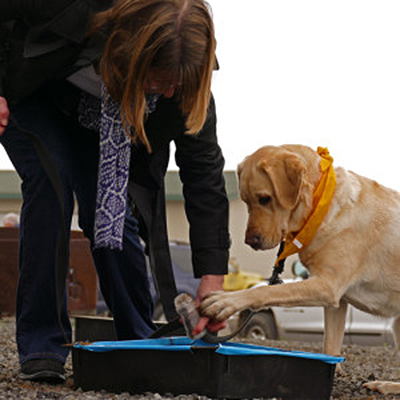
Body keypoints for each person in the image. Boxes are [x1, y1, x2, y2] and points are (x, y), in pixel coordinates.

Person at [0, 0, 230, 384]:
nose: (171, 91)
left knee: (111, 215)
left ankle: (139, 343)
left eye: (179, 82)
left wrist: (212, 277)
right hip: (37, 96)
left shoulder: (186, 88)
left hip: (107, 123)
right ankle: (43, 345)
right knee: (49, 182)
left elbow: (203, 174)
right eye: (162, 79)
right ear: (134, 51)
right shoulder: (71, 8)